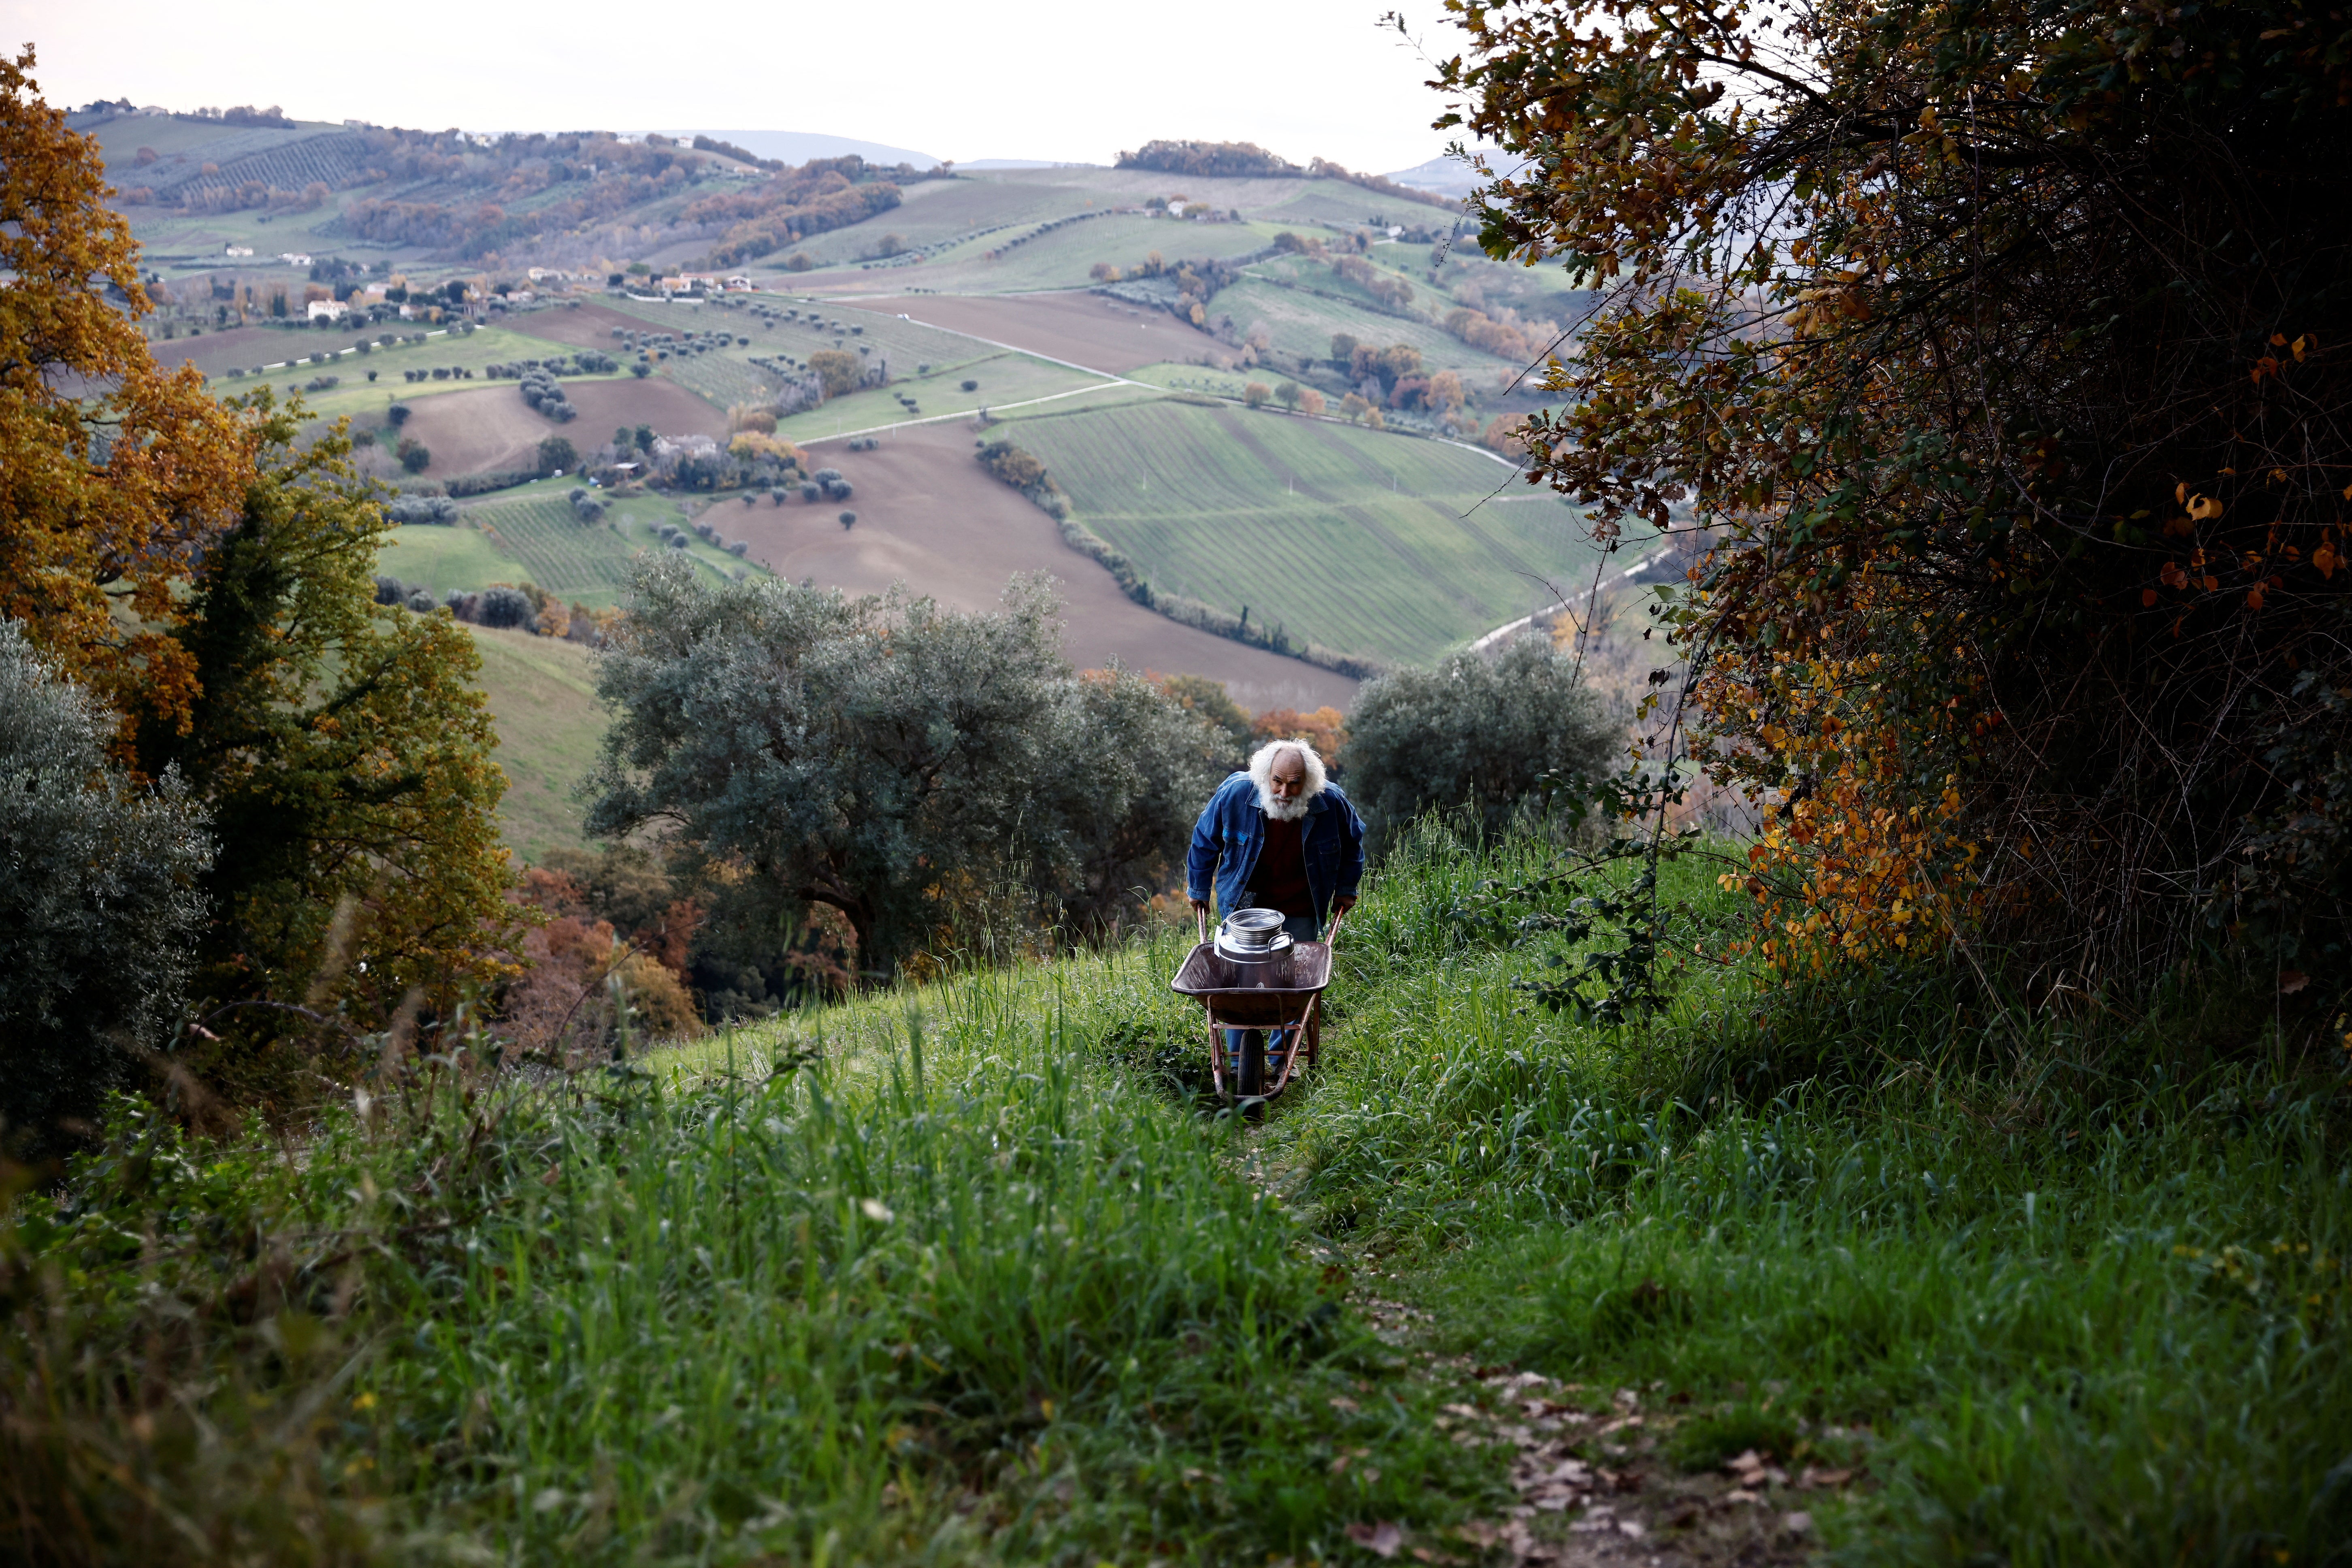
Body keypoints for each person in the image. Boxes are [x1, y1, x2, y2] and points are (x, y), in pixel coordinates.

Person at [1187, 738, 1366, 1095]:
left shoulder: (1330, 803)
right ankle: (1238, 1062)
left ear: (1309, 783)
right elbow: (1205, 840)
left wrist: (1347, 887)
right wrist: (1197, 888)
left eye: (1295, 783)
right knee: (1236, 982)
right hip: (1245, 906)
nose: (1285, 791)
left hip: (1301, 905)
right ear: (1265, 776)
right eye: (1278, 781)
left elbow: (1353, 844)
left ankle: (1281, 1059)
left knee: (1292, 983)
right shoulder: (1236, 795)